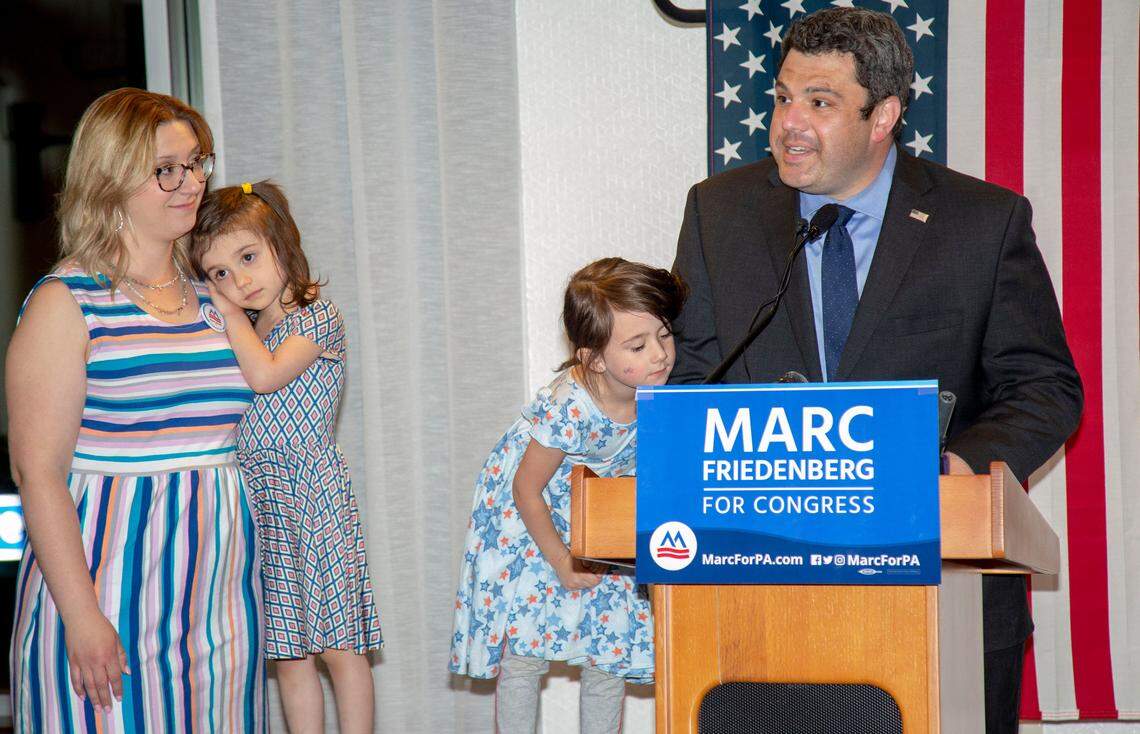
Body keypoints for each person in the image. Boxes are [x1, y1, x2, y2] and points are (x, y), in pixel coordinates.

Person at [669, 8, 1082, 734]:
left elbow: (1045, 386)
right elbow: (690, 377)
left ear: (884, 113)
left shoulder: (981, 222)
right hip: (756, 603)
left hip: (938, 596)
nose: (789, 122)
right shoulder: (719, 213)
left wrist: (961, 466)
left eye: (820, 102)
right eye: (781, 97)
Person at [6, 88, 264, 731]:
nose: (193, 182)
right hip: (108, 600)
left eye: (198, 162)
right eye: (166, 169)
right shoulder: (66, 304)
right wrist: (83, 616)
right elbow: (38, 476)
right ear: (111, 179)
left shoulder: (218, 299)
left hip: (222, 607)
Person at [449, 258, 686, 734]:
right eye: (637, 345)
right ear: (592, 358)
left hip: (599, 519)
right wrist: (561, 560)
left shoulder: (654, 394)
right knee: (525, 649)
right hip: (533, 522)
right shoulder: (568, 407)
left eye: (663, 335)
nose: (659, 354)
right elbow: (525, 488)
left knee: (609, 649)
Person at [190, 180, 383, 734]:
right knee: (289, 650)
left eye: (247, 257)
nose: (238, 281)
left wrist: (225, 315)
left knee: (340, 644)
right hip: (261, 496)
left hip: (312, 493)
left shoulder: (316, 316)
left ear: (283, 244)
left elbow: (267, 375)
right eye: (219, 273)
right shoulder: (252, 327)